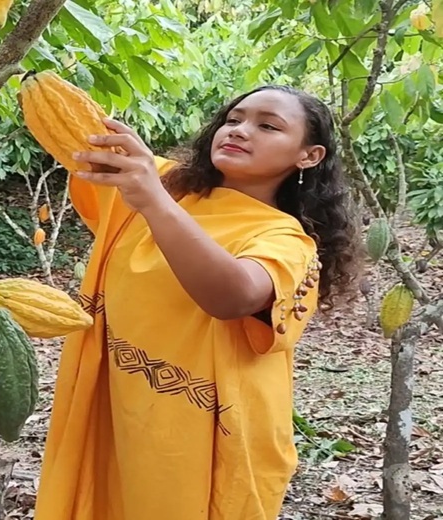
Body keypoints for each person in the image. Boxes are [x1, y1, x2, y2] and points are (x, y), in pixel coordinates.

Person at [33, 85, 362, 520]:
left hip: (201, 437)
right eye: (233, 119)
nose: (241, 130)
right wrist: (34, 83)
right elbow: (76, 137)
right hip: (112, 411)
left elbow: (233, 296)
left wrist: (154, 200)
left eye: (268, 126)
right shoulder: (158, 180)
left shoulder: (284, 239)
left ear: (309, 156)